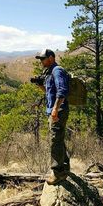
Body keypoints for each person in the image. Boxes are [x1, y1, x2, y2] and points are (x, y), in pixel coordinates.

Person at [35, 49, 70, 185]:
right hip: (53, 110)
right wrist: (40, 86)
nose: (41, 61)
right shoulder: (50, 72)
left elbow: (62, 91)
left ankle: (58, 173)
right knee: (59, 139)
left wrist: (55, 109)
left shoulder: (57, 70)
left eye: (43, 58)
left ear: (51, 57)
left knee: (55, 141)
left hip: (58, 111)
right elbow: (50, 92)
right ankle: (65, 167)